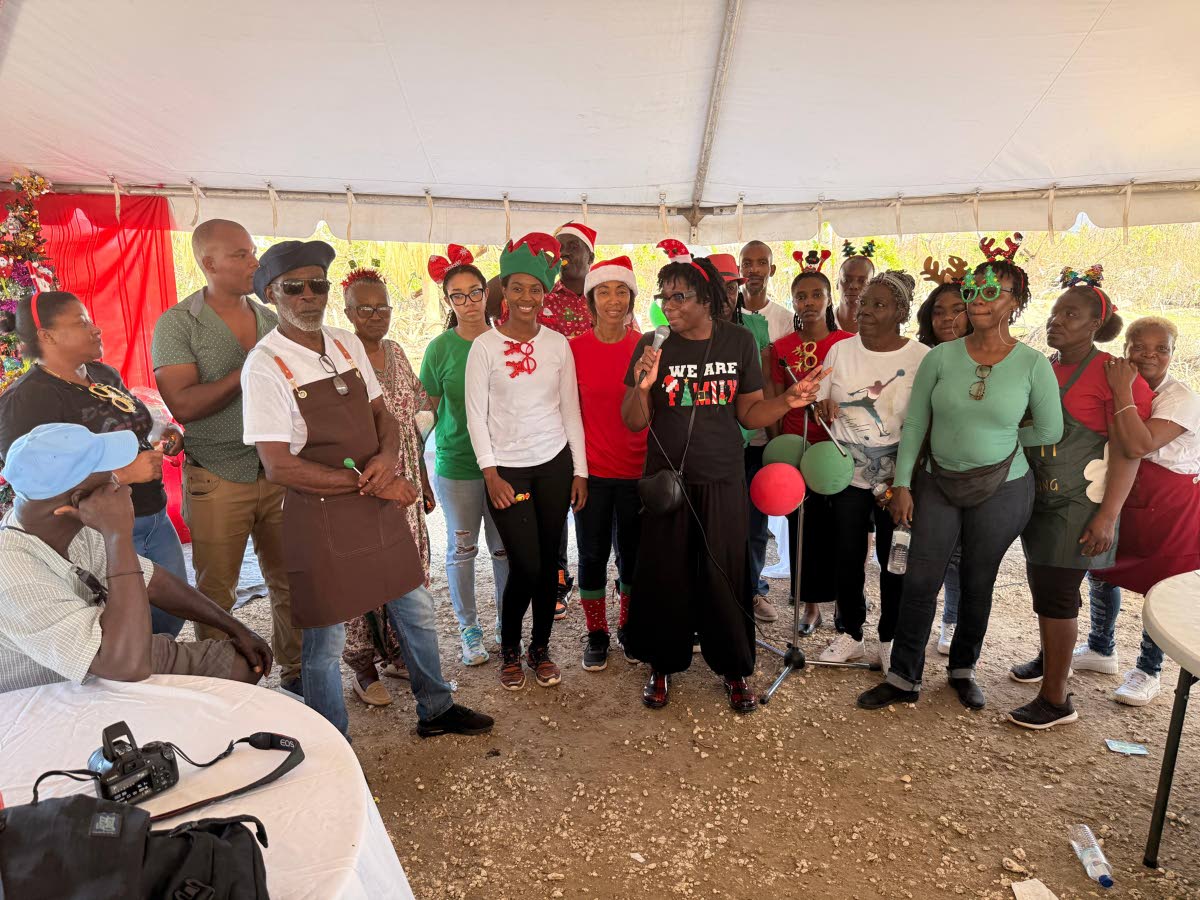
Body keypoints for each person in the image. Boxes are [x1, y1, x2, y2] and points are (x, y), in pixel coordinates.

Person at [241, 239, 491, 740]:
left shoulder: (344, 343)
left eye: (318, 284)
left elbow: (385, 417)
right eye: (296, 287)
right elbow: (278, 466)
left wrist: (383, 459)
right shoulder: (265, 365)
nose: (310, 295)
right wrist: (364, 480)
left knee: (416, 609)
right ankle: (333, 740)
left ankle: (436, 708)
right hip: (321, 516)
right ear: (272, 294)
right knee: (325, 638)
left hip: (376, 502)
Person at [857, 235, 1063, 713]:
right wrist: (904, 484)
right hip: (937, 482)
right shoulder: (941, 357)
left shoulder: (1032, 365)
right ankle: (903, 676)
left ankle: (962, 670)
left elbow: (1050, 428)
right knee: (920, 580)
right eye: (974, 289)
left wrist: (1005, 444)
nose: (979, 299)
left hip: (1004, 487)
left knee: (977, 580)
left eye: (994, 291)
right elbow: (917, 424)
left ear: (1015, 302)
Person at [621, 254, 826, 714]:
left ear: (708, 299)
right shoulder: (652, 345)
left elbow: (750, 414)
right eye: (665, 296)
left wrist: (788, 400)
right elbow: (633, 422)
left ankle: (734, 669)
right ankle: (662, 665)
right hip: (667, 480)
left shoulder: (737, 342)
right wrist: (642, 386)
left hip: (722, 478)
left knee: (726, 577)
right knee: (664, 574)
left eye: (680, 296)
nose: (669, 305)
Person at [0, 423, 272, 693]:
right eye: (111, 480)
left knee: (245, 664)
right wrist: (117, 532)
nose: (123, 486)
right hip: (60, 690)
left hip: (110, 648)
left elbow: (153, 581)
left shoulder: (59, 523)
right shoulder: (14, 576)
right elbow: (127, 666)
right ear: (75, 503)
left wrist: (235, 627)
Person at [152, 219, 302, 695]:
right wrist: (251, 367)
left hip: (277, 470)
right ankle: (224, 689)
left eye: (253, 251)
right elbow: (185, 405)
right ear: (209, 263)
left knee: (290, 581)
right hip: (217, 475)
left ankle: (298, 677)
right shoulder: (178, 323)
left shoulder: (270, 318)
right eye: (240, 254)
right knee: (215, 596)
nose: (254, 263)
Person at [1007, 267, 1152, 729]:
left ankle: (1056, 699)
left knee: (1059, 594)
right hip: (1040, 498)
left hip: (1079, 503)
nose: (1057, 321)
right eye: (1054, 312)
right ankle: (1051, 661)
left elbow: (1129, 451)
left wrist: (1108, 516)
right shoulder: (1044, 367)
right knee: (1045, 588)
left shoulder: (1114, 374)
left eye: (1071, 314)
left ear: (1095, 325)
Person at [0, 291, 187, 636]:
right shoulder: (26, 399)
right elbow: (31, 483)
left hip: (153, 515)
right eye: (81, 322)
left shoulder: (103, 374)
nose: (96, 329)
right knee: (122, 632)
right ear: (48, 335)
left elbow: (131, 421)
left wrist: (165, 430)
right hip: (97, 534)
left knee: (170, 616)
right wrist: (121, 474)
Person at [465, 233, 588, 691]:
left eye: (535, 289)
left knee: (549, 568)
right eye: (517, 287)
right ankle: (511, 650)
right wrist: (490, 473)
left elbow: (569, 409)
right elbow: (476, 416)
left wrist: (580, 471)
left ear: (544, 293)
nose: (526, 297)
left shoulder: (558, 344)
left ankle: (541, 649)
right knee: (525, 565)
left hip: (554, 466)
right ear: (504, 291)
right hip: (508, 472)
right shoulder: (485, 347)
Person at [814, 271, 928, 672]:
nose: (865, 311)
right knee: (846, 555)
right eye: (863, 303)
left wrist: (906, 482)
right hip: (847, 474)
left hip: (899, 480)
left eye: (878, 305)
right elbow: (821, 401)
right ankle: (851, 633)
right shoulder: (840, 352)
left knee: (893, 558)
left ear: (900, 311)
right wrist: (823, 407)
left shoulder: (921, 357)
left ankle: (889, 638)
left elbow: (926, 422)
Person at [1089, 316, 1200, 705]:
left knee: (1160, 582)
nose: (1149, 355)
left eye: (1161, 348)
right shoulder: (1126, 383)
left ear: (1173, 353)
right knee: (1102, 568)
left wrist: (1120, 392)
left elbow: (1139, 444)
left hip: (1171, 503)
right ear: (1126, 348)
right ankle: (1100, 647)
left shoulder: (1180, 398)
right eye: (1139, 346)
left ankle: (1148, 670)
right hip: (1129, 492)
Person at [339, 262, 436, 707]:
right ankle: (362, 667)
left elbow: (414, 418)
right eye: (365, 309)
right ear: (347, 311)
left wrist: (425, 478)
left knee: (408, 570)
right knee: (362, 577)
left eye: (383, 307)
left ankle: (398, 652)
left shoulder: (396, 352)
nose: (375, 316)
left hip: (408, 483)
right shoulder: (337, 356)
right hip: (365, 484)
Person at [420, 245, 510, 652]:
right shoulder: (439, 350)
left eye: (476, 292)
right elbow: (428, 414)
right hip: (457, 465)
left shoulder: (506, 342)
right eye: (459, 295)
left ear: (487, 294)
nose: (469, 302)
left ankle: (505, 624)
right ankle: (469, 629)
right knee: (462, 549)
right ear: (448, 301)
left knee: (504, 549)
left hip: (506, 465)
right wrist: (416, 469)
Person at [765, 251, 853, 633]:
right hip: (796, 449)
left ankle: (847, 607)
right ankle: (811, 606)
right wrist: (780, 447)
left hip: (837, 449)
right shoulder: (780, 348)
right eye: (801, 296)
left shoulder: (848, 343)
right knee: (804, 530)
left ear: (829, 298)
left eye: (817, 294)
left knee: (844, 530)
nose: (809, 302)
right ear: (793, 301)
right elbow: (772, 397)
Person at [570, 256, 647, 670]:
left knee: (633, 557)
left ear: (632, 297)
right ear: (591, 298)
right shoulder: (573, 349)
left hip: (639, 473)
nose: (613, 300)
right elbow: (566, 414)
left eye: (621, 291)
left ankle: (628, 626)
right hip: (593, 475)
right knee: (592, 555)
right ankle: (596, 633)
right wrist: (576, 471)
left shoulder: (648, 346)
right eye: (604, 291)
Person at [707, 251, 774, 622]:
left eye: (733, 286)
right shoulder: (684, 333)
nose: (728, 294)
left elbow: (764, 384)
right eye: (721, 286)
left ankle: (752, 589)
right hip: (708, 446)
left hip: (751, 440)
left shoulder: (755, 326)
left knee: (753, 524)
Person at [914, 262, 973, 654]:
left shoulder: (989, 358)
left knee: (960, 555)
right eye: (938, 311)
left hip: (972, 472)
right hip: (924, 470)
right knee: (923, 554)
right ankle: (913, 633)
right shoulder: (919, 356)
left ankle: (952, 623)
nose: (947, 318)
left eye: (956, 310)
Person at [835, 240, 877, 334]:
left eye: (863, 281)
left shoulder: (880, 330)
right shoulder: (819, 325)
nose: (854, 286)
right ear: (837, 283)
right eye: (846, 280)